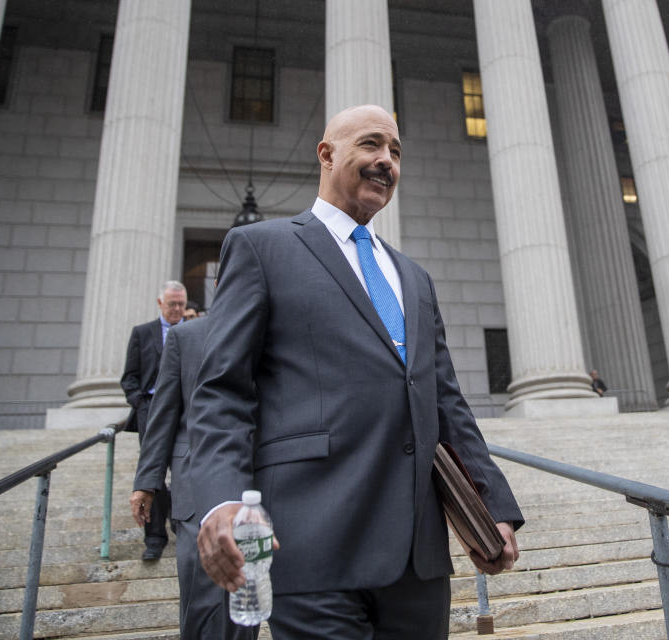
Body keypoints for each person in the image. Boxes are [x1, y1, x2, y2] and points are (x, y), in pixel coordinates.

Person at [188, 104, 524, 638]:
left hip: (418, 558)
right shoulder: (261, 248)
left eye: (395, 151)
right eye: (371, 145)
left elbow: (445, 401)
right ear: (326, 154)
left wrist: (491, 503)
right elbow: (223, 392)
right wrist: (221, 498)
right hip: (312, 543)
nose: (386, 160)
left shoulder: (414, 278)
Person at [130, 316, 256, 640]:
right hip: (193, 483)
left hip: (255, 482)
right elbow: (164, 410)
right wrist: (147, 481)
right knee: (199, 593)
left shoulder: (267, 328)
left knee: (245, 599)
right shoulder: (184, 337)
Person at [121, 280, 187, 560]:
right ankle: (155, 538)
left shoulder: (192, 331)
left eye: (181, 304)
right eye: (172, 304)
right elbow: (129, 376)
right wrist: (139, 402)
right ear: (160, 303)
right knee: (152, 473)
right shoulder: (142, 333)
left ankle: (181, 522)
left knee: (185, 464)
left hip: (186, 410)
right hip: (151, 408)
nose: (177, 309)